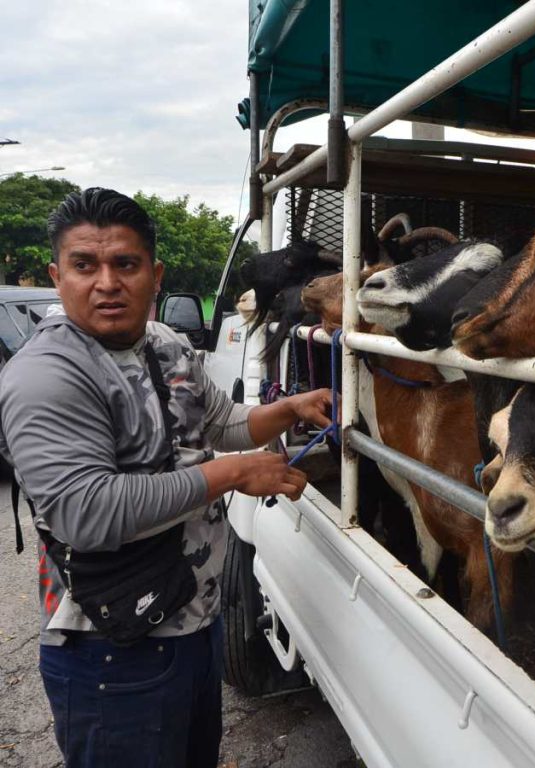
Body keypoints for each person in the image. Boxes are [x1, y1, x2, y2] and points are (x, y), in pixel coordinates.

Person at [0, 188, 332, 767]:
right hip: (111, 647)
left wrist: (291, 407)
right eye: (85, 265)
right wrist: (230, 474)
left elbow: (221, 424)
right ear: (58, 276)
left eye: (124, 264)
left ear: (155, 275)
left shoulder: (166, 344)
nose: (106, 282)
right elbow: (88, 512)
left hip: (192, 622)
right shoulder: (46, 376)